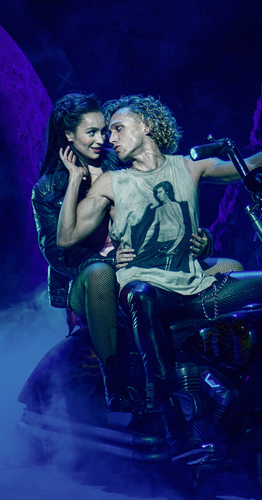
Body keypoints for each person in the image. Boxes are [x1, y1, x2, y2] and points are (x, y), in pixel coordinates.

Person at [57, 94, 262, 463]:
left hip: (195, 289)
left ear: (147, 126)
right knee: (140, 294)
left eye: (118, 128)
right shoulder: (112, 182)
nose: (111, 138)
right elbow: (67, 237)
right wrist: (74, 180)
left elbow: (246, 167)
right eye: (108, 131)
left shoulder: (189, 168)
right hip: (145, 291)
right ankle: (174, 425)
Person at [32, 93, 216, 414]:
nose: (102, 139)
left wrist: (204, 241)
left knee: (226, 270)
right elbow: (56, 252)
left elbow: (169, 209)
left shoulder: (119, 161)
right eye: (92, 132)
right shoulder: (47, 189)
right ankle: (114, 380)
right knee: (100, 274)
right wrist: (105, 260)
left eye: (105, 131)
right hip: (90, 281)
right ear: (68, 136)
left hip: (143, 270)